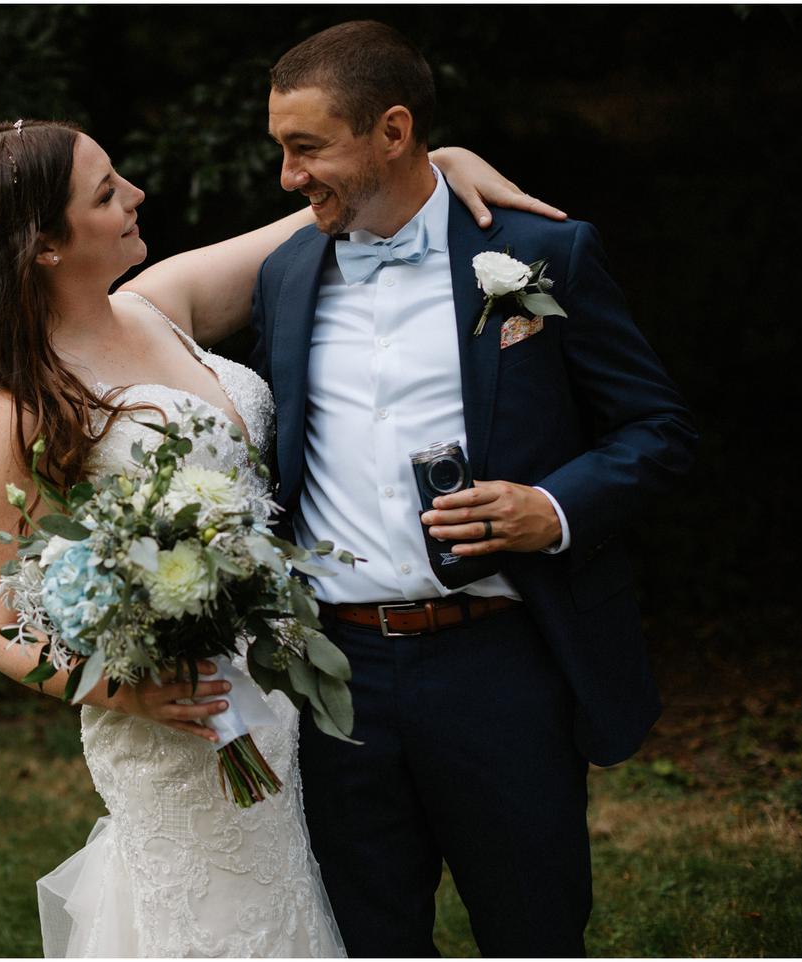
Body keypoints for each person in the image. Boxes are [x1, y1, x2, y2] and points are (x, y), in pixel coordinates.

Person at [0, 117, 562, 957]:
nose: (135, 196)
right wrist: (131, 691)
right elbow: (4, 625)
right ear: (45, 245)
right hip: (184, 726)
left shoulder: (159, 304)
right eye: (105, 191)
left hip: (291, 700)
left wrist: (431, 162)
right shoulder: (24, 409)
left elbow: (318, 216)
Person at [252, 21, 699, 957]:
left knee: (532, 929)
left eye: (307, 147)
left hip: (499, 661)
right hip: (339, 679)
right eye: (281, 150)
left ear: (394, 131)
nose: (289, 175)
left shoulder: (542, 255)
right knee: (367, 936)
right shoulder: (286, 276)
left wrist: (555, 509)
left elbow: (659, 429)